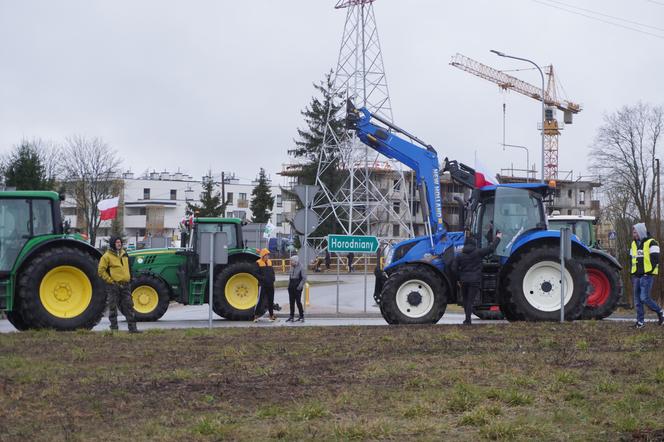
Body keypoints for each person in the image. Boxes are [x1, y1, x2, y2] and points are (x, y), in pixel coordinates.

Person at [452, 232, 502, 325]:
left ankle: (467, 319)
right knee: (471, 300)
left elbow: (453, 269)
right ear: (474, 243)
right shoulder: (478, 252)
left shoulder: (459, 255)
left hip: (464, 281)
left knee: (466, 300)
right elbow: (491, 248)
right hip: (475, 280)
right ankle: (468, 320)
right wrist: (498, 238)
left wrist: (459, 278)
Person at [98, 237, 140, 333]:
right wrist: (110, 281)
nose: (119, 244)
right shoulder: (106, 256)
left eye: (120, 242)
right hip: (113, 285)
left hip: (126, 285)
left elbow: (129, 267)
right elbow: (101, 271)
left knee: (129, 306)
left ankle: (133, 328)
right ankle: (114, 328)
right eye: (117, 242)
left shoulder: (124, 254)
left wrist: (130, 278)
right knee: (113, 307)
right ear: (113, 243)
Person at [629, 223, 664, 329]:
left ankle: (660, 312)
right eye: (633, 232)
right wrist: (634, 273)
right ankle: (640, 323)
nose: (633, 234)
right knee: (637, 301)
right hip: (636, 276)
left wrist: (647, 272)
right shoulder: (633, 244)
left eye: (635, 232)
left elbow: (655, 259)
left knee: (644, 298)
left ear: (640, 232)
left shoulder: (652, 243)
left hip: (647, 276)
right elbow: (631, 259)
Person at [255, 248, 277, 322]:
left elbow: (272, 272)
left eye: (268, 255)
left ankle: (271, 315)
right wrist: (262, 278)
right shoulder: (258, 262)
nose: (268, 256)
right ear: (263, 255)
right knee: (260, 300)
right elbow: (255, 274)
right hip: (262, 285)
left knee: (271, 300)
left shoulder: (270, 262)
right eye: (266, 255)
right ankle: (256, 315)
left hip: (270, 284)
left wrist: (273, 278)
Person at [286, 255, 306, 322]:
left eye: (291, 261)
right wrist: (288, 286)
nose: (290, 262)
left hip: (297, 287)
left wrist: (299, 287)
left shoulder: (301, 267)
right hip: (291, 287)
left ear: (295, 261)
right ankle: (291, 316)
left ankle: (301, 316)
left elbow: (304, 278)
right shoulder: (291, 267)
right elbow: (290, 277)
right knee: (291, 302)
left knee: (298, 302)